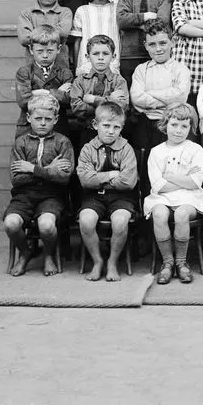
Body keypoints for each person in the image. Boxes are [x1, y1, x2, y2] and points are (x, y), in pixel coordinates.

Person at [4, 92, 74, 277]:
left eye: (48, 119)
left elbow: (64, 178)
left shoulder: (63, 142)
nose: (43, 123)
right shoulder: (21, 143)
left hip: (52, 196)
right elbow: (17, 179)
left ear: (56, 119)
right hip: (23, 195)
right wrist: (49, 169)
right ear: (28, 118)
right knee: (11, 224)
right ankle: (25, 251)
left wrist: (32, 169)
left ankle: (48, 254)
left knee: (47, 226)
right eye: (38, 118)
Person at [143, 103, 203, 285]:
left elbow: (194, 182)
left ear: (191, 128)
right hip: (162, 198)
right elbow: (158, 186)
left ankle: (181, 262)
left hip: (191, 198)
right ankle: (167, 262)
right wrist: (183, 179)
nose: (178, 130)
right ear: (165, 124)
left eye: (184, 126)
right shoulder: (157, 152)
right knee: (159, 214)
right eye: (174, 125)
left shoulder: (195, 150)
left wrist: (170, 176)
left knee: (182, 214)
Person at [76, 102, 139, 282]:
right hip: (93, 198)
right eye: (106, 126)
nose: (111, 131)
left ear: (122, 128)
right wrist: (111, 175)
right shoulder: (88, 148)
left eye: (116, 127)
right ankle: (98, 261)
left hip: (122, 198)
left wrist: (98, 179)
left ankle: (112, 262)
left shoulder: (126, 149)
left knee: (120, 222)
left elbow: (127, 183)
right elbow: (85, 180)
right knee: (87, 221)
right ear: (96, 125)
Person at [128, 20, 191, 152]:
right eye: (152, 44)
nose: (158, 49)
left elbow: (180, 98)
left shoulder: (181, 69)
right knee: (144, 159)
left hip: (172, 123)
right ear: (146, 46)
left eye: (163, 43)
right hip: (145, 123)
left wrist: (150, 93)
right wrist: (168, 98)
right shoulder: (141, 69)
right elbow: (136, 98)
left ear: (172, 41)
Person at [116, 0, 173, 85]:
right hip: (130, 54)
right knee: (131, 90)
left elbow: (162, 22)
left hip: (156, 54)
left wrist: (135, 23)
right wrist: (146, 16)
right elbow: (122, 20)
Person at [68, 34, 130, 150]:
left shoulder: (119, 81)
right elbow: (76, 107)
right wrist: (110, 101)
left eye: (105, 54)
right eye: (96, 54)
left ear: (113, 57)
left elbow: (122, 106)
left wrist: (94, 100)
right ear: (87, 56)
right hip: (88, 132)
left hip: (113, 134)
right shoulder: (80, 81)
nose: (100, 57)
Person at [14, 25, 72, 139]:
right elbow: (23, 100)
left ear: (59, 49)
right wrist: (53, 93)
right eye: (40, 51)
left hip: (57, 128)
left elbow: (69, 100)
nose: (45, 55)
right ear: (31, 49)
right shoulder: (24, 72)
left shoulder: (65, 73)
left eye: (50, 51)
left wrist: (36, 92)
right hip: (28, 128)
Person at [17, 0, 73, 70]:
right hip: (33, 70)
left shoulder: (65, 13)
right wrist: (53, 35)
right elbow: (24, 39)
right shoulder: (26, 14)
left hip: (60, 70)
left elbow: (63, 33)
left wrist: (35, 34)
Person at [69, 0, 121, 76]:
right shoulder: (82, 11)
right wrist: (77, 67)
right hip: (86, 65)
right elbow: (77, 42)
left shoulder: (117, 9)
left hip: (112, 64)